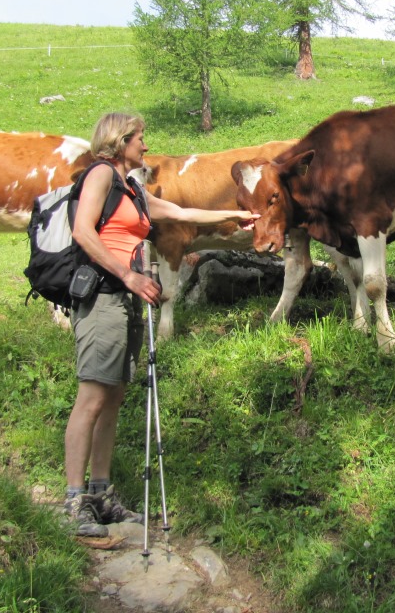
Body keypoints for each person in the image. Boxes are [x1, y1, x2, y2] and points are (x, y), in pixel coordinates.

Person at [62, 112, 257, 536]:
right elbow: (82, 231)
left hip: (125, 300)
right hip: (101, 295)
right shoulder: (99, 175)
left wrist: (233, 218)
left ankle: (102, 493)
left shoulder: (131, 188)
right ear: (119, 141)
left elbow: (179, 210)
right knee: (92, 396)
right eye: (139, 139)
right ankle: (75, 501)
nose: (146, 146)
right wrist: (128, 274)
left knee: (112, 398)